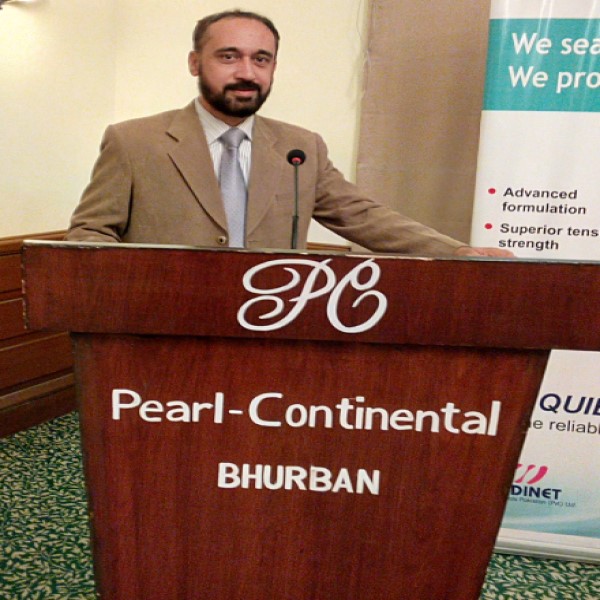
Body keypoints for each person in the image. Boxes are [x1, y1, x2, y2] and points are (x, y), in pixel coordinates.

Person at [66, 9, 511, 258]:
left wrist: (459, 253)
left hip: (270, 328)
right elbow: (89, 233)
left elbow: (363, 217)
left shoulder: (301, 148)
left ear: (274, 67)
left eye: (260, 59)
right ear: (195, 63)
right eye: (228, 57)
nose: (246, 72)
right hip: (162, 334)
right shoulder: (133, 141)